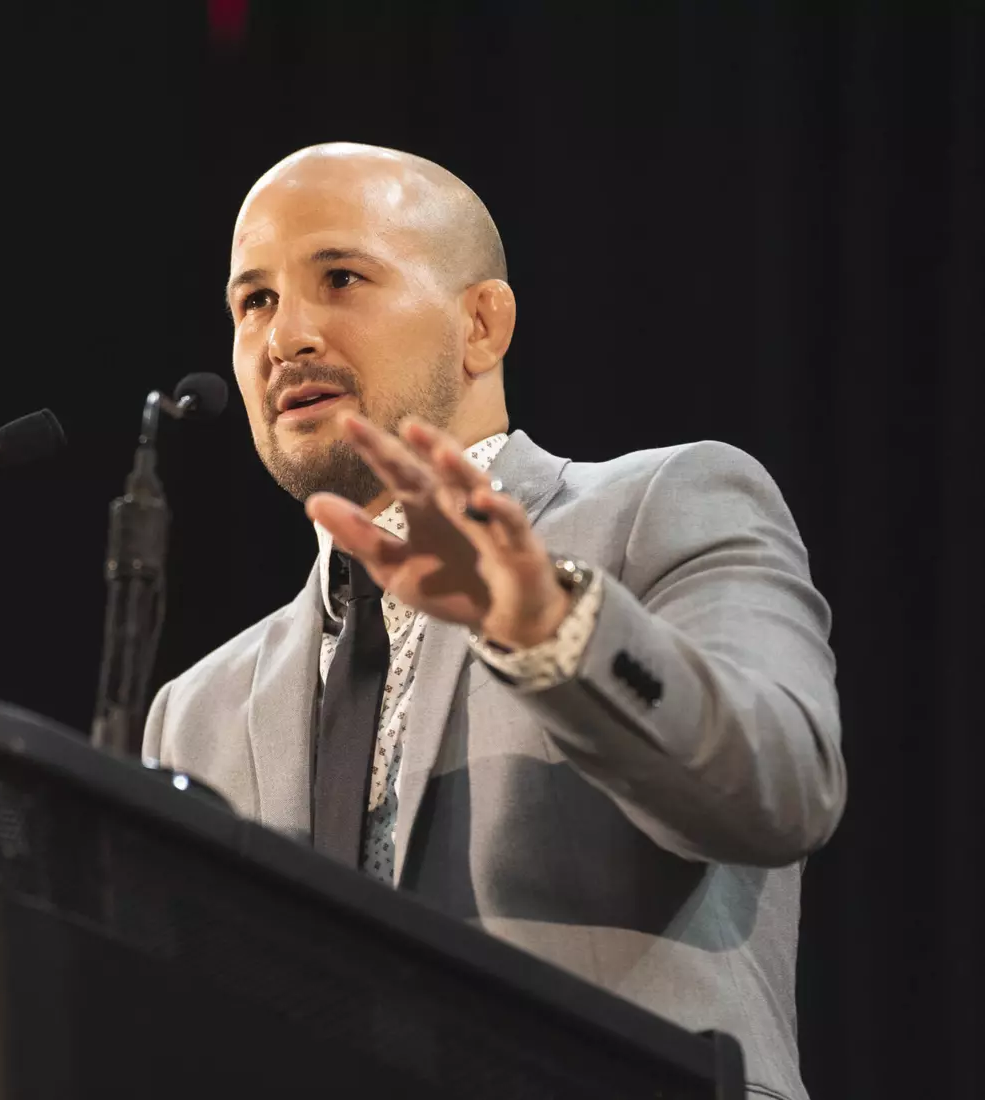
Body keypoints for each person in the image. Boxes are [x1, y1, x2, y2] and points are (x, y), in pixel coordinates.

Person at [143, 143, 845, 1100]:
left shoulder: (665, 507)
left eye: (341, 278)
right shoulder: (197, 711)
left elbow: (783, 786)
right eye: (253, 301)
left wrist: (550, 625)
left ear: (481, 323)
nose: (286, 338)